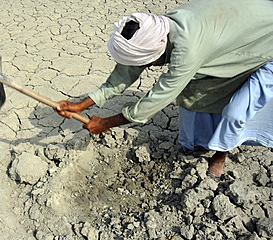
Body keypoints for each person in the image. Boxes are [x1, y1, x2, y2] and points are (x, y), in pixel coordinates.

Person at [55, 0, 273, 179]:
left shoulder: (188, 49)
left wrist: (105, 123)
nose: (144, 68)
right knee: (196, 89)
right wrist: (83, 104)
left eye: (145, 64)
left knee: (236, 109)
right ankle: (198, 142)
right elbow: (128, 69)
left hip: (264, 42)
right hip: (234, 34)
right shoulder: (156, 29)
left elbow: (158, 98)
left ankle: (220, 154)